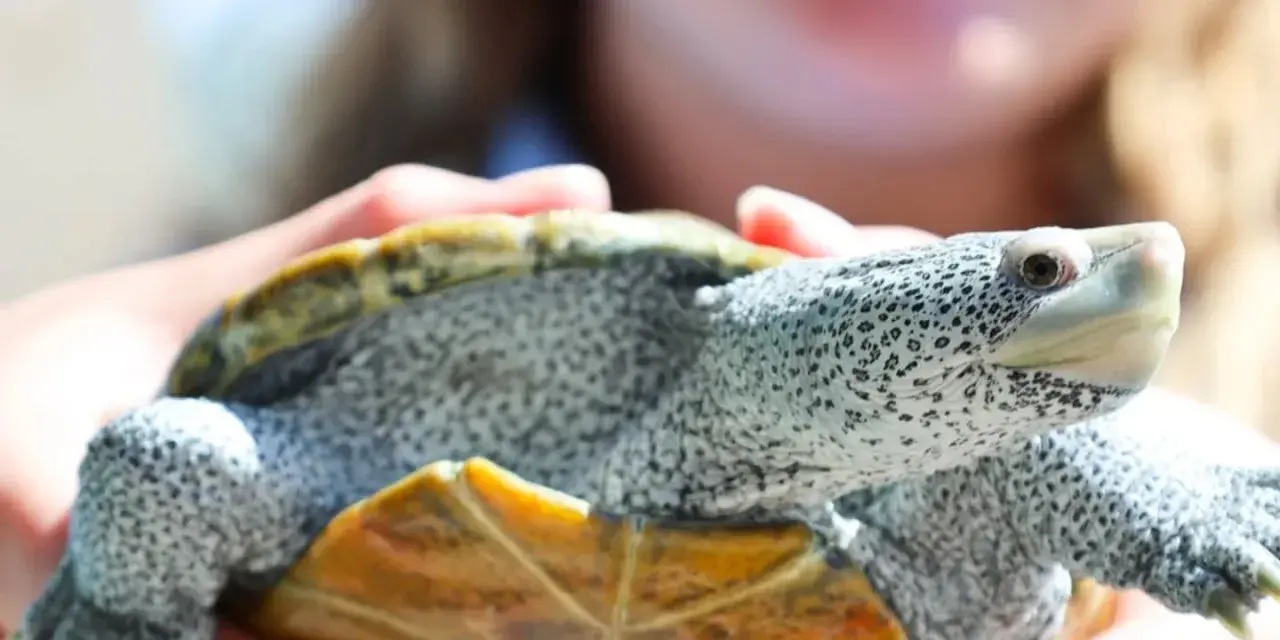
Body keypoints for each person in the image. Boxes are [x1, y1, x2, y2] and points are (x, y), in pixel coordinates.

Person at [6, 0, 1280, 636]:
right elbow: (160, 466)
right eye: (1044, 276)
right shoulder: (132, 331)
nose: (1113, 298)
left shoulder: (1009, 456)